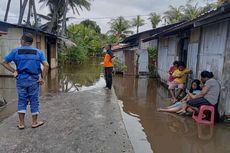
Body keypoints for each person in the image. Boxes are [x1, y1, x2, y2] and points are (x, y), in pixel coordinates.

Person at [1, 33, 49, 129]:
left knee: (22, 100)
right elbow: (46, 65)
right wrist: (43, 78)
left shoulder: (15, 51)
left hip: (21, 79)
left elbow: (4, 62)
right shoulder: (38, 52)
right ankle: (35, 122)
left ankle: (21, 124)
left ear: (22, 41)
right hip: (34, 80)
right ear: (31, 42)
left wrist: (14, 71)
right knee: (34, 100)